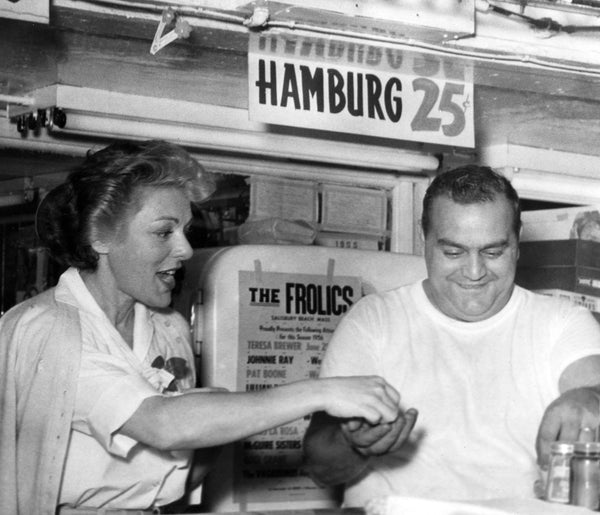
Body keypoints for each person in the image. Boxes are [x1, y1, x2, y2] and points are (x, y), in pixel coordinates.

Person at [0, 139, 402, 515]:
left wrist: (212, 416)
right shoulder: (49, 328)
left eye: (184, 231)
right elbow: (163, 424)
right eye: (163, 232)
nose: (186, 249)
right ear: (99, 235)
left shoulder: (168, 326)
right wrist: (322, 391)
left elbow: (186, 461)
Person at [303, 165, 600, 507]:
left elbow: (592, 382)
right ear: (424, 239)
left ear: (517, 244)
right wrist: (353, 443)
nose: (474, 272)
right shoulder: (374, 320)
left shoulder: (561, 321)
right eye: (454, 252)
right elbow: (318, 465)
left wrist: (591, 399)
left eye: (493, 252)